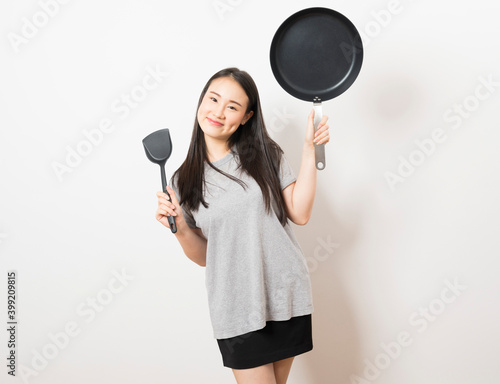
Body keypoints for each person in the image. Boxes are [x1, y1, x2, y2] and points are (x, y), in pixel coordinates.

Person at [155, 67, 329, 384]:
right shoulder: (183, 181)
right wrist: (179, 226)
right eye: (214, 99)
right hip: (235, 307)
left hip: (284, 295)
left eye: (232, 106)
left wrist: (309, 148)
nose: (218, 112)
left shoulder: (265, 155)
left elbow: (300, 213)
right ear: (201, 101)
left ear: (247, 116)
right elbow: (206, 256)